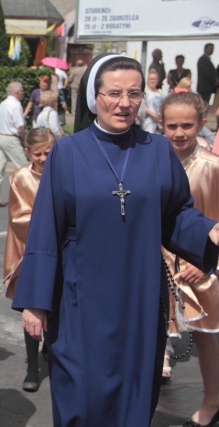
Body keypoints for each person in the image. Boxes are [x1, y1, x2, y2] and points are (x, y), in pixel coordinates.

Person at [14, 53, 219, 426]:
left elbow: (174, 215)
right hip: (79, 300)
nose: (124, 103)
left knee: (135, 391)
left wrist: (210, 232)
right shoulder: (68, 151)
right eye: (114, 93)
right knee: (81, 392)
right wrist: (35, 302)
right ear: (95, 97)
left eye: (134, 93)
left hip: (138, 296)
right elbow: (46, 227)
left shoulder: (157, 150)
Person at [160, 91, 219, 427]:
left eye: (186, 125)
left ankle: (212, 400)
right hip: (158, 265)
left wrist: (205, 262)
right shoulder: (153, 161)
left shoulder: (212, 166)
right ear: (161, 125)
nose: (179, 133)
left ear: (201, 124)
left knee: (204, 336)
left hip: (200, 269)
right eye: (172, 126)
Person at [4, 127, 56, 393]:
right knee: (32, 309)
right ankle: (32, 367)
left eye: (49, 152)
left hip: (59, 252)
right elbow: (18, 218)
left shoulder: (62, 174)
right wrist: (50, 229)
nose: (44, 158)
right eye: (38, 154)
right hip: (29, 253)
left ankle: (51, 349)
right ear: (27, 153)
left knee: (57, 306)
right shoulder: (20, 178)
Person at [0, 81, 28, 208]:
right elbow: (20, 127)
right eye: (21, 90)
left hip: (0, 137)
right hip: (11, 139)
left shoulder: (3, 104)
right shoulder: (16, 105)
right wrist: (24, 140)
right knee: (25, 169)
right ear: (17, 92)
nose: (22, 93)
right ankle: (30, 197)